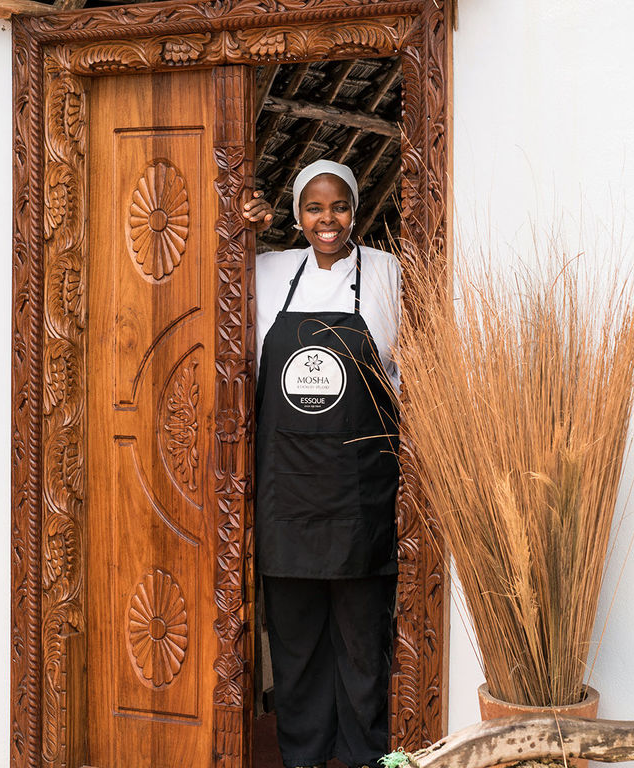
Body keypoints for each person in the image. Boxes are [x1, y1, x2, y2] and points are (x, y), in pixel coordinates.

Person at [243, 160, 400, 768]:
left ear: (354, 211)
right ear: (298, 215)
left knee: (364, 642)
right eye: (313, 207)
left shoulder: (387, 274)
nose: (326, 220)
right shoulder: (268, 270)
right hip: (289, 496)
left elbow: (406, 371)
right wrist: (240, 227)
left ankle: (366, 756)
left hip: (358, 495)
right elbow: (205, 269)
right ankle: (303, 755)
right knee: (296, 644)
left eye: (337, 207)